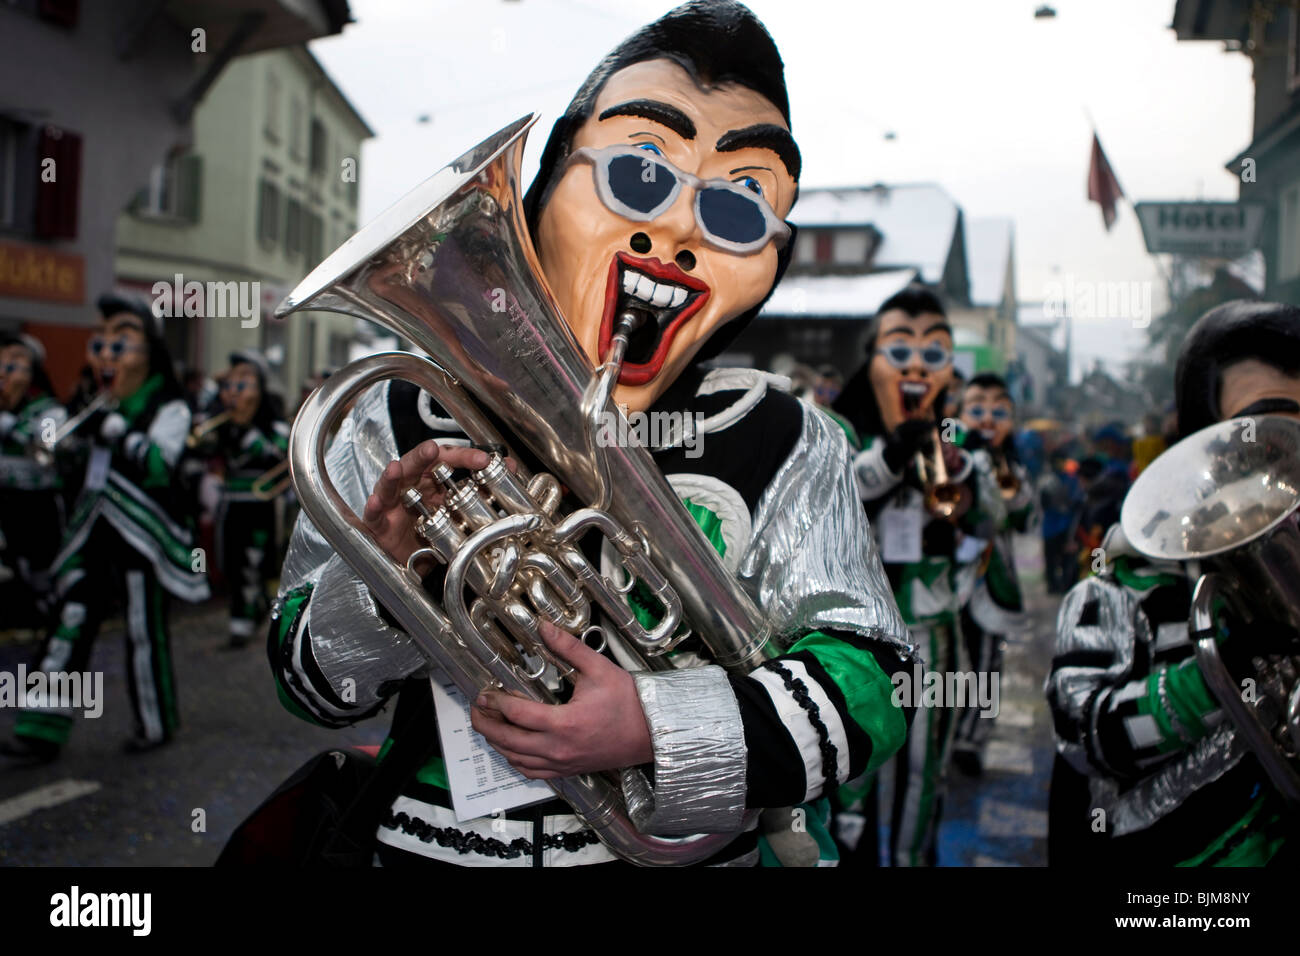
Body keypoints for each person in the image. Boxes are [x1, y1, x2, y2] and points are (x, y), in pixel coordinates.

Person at [266, 0, 913, 868]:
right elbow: (312, 689)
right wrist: (384, 584)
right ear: (545, 183)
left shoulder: (783, 438)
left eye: (739, 208)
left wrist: (656, 727)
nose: (680, 231)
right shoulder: (396, 413)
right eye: (639, 176)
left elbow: (878, 682)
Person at [1046, 299, 1300, 865]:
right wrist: (1224, 671)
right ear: (1201, 441)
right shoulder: (1122, 581)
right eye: (1270, 421)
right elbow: (1087, 733)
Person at [830, 284, 1002, 865]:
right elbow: (837, 494)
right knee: (846, 767)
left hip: (931, 628)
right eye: (899, 350)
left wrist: (966, 485)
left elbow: (992, 520)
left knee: (923, 771)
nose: (916, 368)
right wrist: (894, 454)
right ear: (871, 358)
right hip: (850, 629)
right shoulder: (840, 430)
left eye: (934, 354)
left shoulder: (962, 439)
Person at [0, 294, 210, 763]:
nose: (107, 353)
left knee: (141, 627)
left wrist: (120, 431)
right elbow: (61, 453)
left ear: (149, 352)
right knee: (69, 616)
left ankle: (155, 724)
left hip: (140, 532)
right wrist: (75, 439)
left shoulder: (168, 404)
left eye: (123, 342)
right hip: (93, 526)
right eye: (102, 342)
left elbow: (162, 465)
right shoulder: (90, 399)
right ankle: (39, 727)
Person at [951, 372, 1035, 776]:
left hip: (990, 579)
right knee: (944, 662)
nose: (987, 418)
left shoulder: (1010, 464)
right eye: (977, 409)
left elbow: (1025, 518)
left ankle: (971, 738)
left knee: (986, 663)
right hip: (942, 578)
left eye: (998, 410)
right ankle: (942, 731)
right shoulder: (946, 452)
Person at [193, 350, 290, 648]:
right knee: (233, 563)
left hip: (260, 506)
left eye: (243, 384)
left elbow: (278, 455)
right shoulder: (222, 425)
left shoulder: (274, 427)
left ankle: (244, 623)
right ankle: (250, 611)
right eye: (230, 385)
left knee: (253, 563)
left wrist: (248, 433)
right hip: (230, 504)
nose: (234, 392)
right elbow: (203, 449)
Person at [0, 333, 66, 628]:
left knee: (40, 567)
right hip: (4, 497)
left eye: (15, 365)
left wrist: (15, 429)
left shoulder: (49, 409)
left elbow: (50, 441)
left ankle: (47, 616)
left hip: (36, 501)